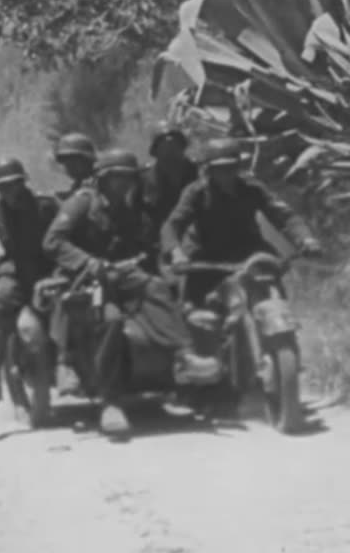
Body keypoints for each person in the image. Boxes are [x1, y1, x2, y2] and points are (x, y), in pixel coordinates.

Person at [42, 148, 221, 436]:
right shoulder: (81, 204)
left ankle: (185, 358)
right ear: (102, 179)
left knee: (157, 287)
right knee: (111, 319)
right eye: (116, 179)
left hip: (120, 274)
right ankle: (109, 402)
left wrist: (167, 268)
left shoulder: (129, 211)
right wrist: (87, 262)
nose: (123, 185)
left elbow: (145, 249)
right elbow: (53, 242)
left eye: (127, 179)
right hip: (85, 278)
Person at [161, 138, 321, 306]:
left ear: (238, 166)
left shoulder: (252, 188)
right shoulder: (196, 193)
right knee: (195, 313)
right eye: (220, 169)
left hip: (250, 255)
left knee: (273, 293)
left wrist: (305, 239)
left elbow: (285, 216)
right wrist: (176, 252)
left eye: (231, 167)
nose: (227, 174)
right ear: (209, 170)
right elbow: (172, 225)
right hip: (207, 259)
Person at [0, 158, 60, 405]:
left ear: (23, 183)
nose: (10, 192)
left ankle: (69, 365)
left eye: (14, 185)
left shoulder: (46, 206)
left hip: (47, 268)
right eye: (3, 187)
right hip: (14, 270)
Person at [139, 121, 199, 231]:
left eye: (175, 147)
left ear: (182, 148)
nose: (170, 154)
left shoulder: (199, 173)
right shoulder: (143, 180)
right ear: (156, 153)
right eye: (165, 149)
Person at [53, 132, 97, 200]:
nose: (69, 164)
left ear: (87, 160)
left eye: (74, 160)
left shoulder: (99, 183)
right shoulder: (79, 184)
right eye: (65, 160)